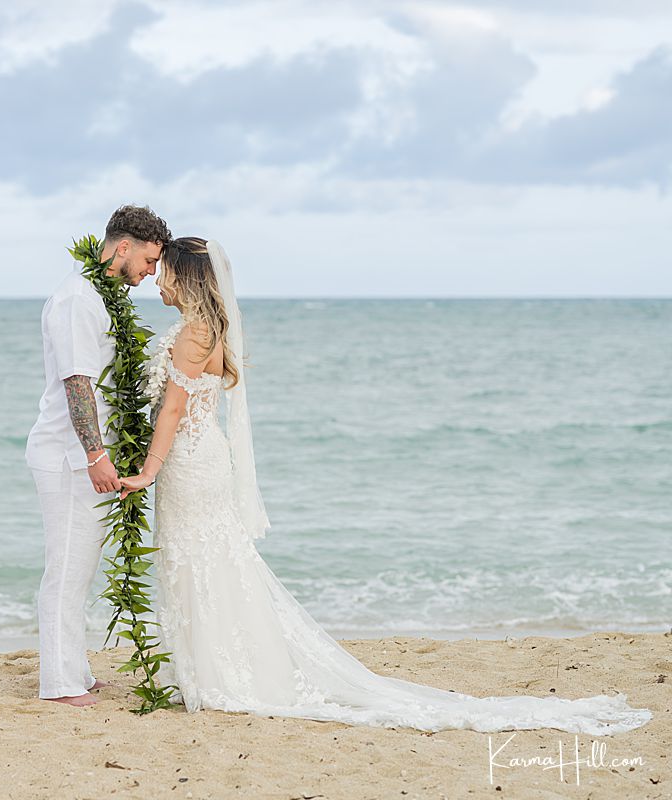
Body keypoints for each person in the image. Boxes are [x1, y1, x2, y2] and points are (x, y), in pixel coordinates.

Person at [117, 236, 652, 734]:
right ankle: (213, 665)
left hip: (189, 460)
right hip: (206, 457)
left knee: (197, 560)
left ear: (187, 280)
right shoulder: (211, 329)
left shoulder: (194, 333)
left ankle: (213, 671)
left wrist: (148, 469)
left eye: (164, 274)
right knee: (212, 561)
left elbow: (172, 409)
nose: (158, 282)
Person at [25, 205, 171, 706]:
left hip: (85, 453)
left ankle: (76, 671)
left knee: (79, 567)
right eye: (149, 261)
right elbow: (77, 382)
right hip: (68, 454)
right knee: (66, 568)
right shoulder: (76, 300)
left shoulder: (97, 296)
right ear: (123, 247)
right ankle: (59, 684)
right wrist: (95, 454)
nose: (151, 273)